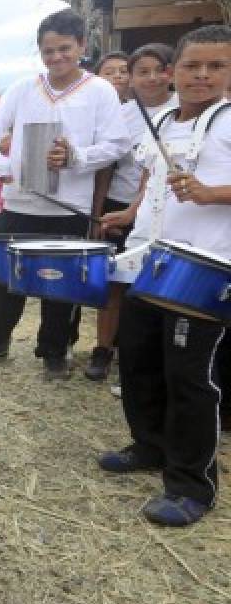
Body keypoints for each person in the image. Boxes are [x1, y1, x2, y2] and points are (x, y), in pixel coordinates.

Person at [97, 24, 231, 527]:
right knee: (138, 359)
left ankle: (191, 484)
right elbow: (156, 180)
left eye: (216, 66)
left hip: (206, 267)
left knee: (191, 379)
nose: (202, 75)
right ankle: (149, 446)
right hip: (151, 260)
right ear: (176, 70)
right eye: (193, 65)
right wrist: (129, 214)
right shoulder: (166, 120)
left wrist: (211, 193)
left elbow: (197, 187)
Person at [0, 9, 131, 380]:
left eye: (65, 49)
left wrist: (76, 156)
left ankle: (55, 350)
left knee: (62, 280)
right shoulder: (25, 88)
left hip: (68, 205)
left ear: (82, 47)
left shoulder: (100, 91)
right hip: (21, 200)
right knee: (3, 276)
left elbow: (117, 143)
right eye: (48, 50)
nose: (56, 58)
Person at [88, 44, 177, 381]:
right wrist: (99, 213)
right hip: (117, 206)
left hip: (164, 211)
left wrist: (134, 210)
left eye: (159, 69)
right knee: (114, 283)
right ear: (132, 79)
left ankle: (144, 355)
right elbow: (107, 168)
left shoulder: (182, 110)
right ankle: (102, 349)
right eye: (142, 71)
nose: (151, 78)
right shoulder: (121, 114)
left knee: (152, 284)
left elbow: (155, 176)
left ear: (171, 72)